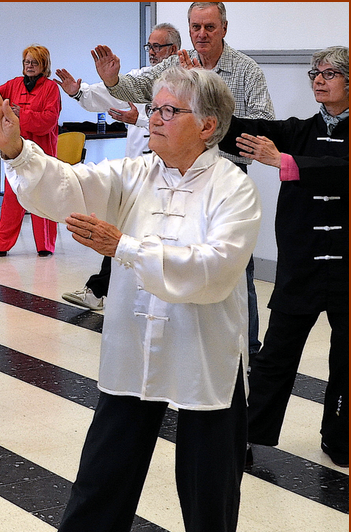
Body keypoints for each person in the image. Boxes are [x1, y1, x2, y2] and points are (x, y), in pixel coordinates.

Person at [0, 67, 261, 532]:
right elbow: (70, 188)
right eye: (154, 108)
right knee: (102, 479)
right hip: (133, 344)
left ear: (207, 125)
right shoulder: (136, 171)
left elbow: (214, 270)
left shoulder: (233, 187)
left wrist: (124, 247)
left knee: (209, 490)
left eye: (169, 110)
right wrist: (17, 150)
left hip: (204, 351)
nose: (154, 118)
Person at [93, 1, 274, 362]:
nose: (201, 34)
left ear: (224, 28)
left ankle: (247, 352)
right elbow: (136, 87)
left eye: (209, 27)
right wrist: (112, 79)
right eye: (195, 27)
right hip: (176, 177)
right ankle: (179, 344)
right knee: (176, 259)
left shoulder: (246, 70)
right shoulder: (176, 64)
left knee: (237, 272)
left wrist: (207, 99)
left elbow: (265, 124)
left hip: (225, 178)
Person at [218, 46, 349, 468]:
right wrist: (201, 95)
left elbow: (342, 170)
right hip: (302, 266)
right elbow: (240, 130)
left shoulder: (292, 147)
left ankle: (341, 439)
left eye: (329, 73)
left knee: (346, 361)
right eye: (315, 73)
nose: (318, 79)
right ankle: (249, 435)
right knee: (275, 356)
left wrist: (285, 162)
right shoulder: (298, 130)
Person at [55, 24, 181, 310]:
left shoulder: (184, 83)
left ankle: (107, 291)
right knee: (123, 229)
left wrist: (139, 120)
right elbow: (105, 93)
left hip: (170, 173)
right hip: (137, 171)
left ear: (173, 50)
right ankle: (101, 291)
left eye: (157, 47)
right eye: (149, 46)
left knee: (142, 234)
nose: (151, 52)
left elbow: (177, 128)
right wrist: (78, 92)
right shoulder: (139, 79)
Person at [0, 44, 61, 259]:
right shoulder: (14, 84)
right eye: (26, 62)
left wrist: (21, 114)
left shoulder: (51, 88)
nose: (29, 66)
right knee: (11, 198)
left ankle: (45, 245)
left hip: (41, 154)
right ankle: (0, 246)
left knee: (43, 198)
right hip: (15, 151)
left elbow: (48, 121)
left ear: (44, 65)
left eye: (34, 62)